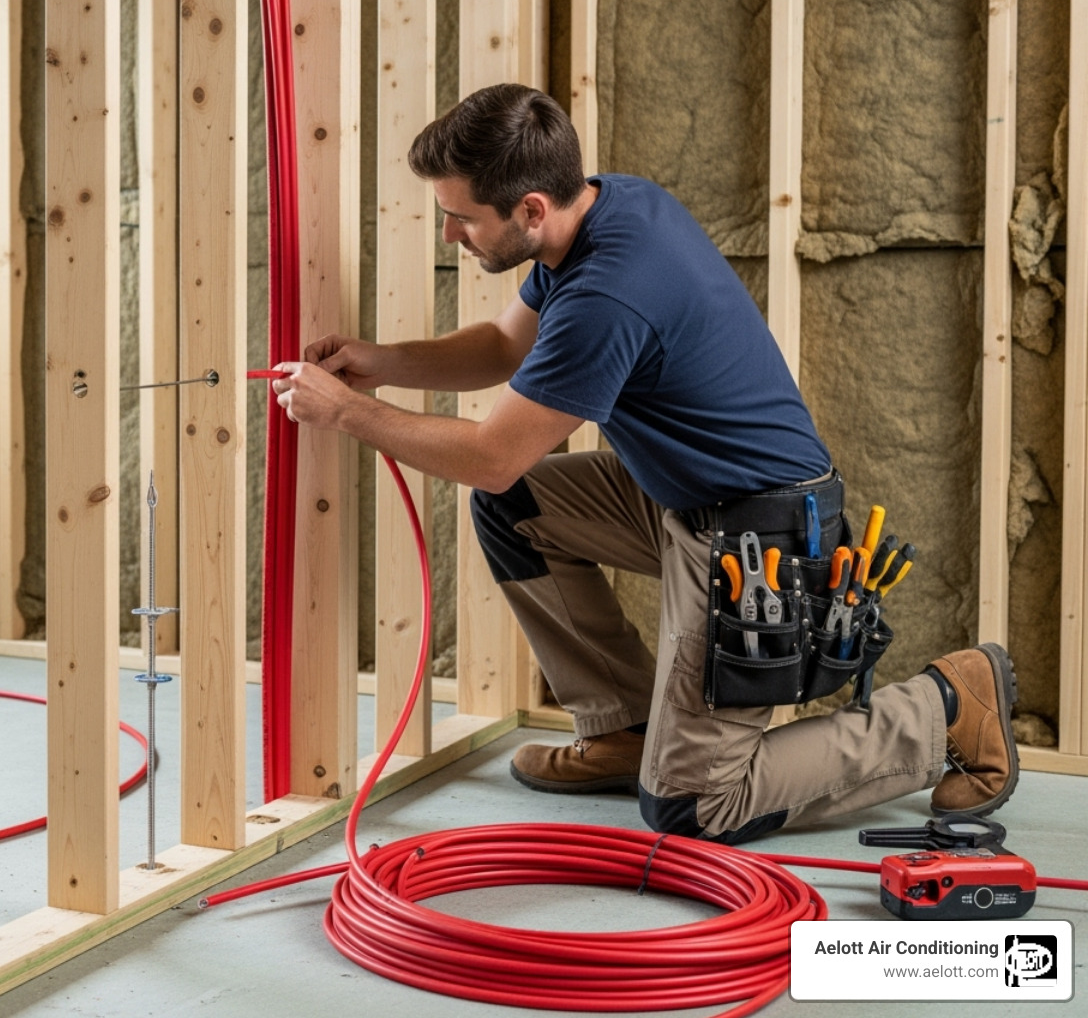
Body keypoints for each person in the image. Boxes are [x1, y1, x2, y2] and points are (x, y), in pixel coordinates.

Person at [271, 82, 1018, 844]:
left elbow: (493, 456)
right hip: (684, 497)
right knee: (515, 509)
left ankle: (945, 708)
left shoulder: (607, 295)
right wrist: (383, 362)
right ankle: (623, 729)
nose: (449, 233)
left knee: (696, 805)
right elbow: (505, 345)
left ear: (531, 208)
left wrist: (347, 411)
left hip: (757, 538)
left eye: (462, 217)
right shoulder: (607, 204)